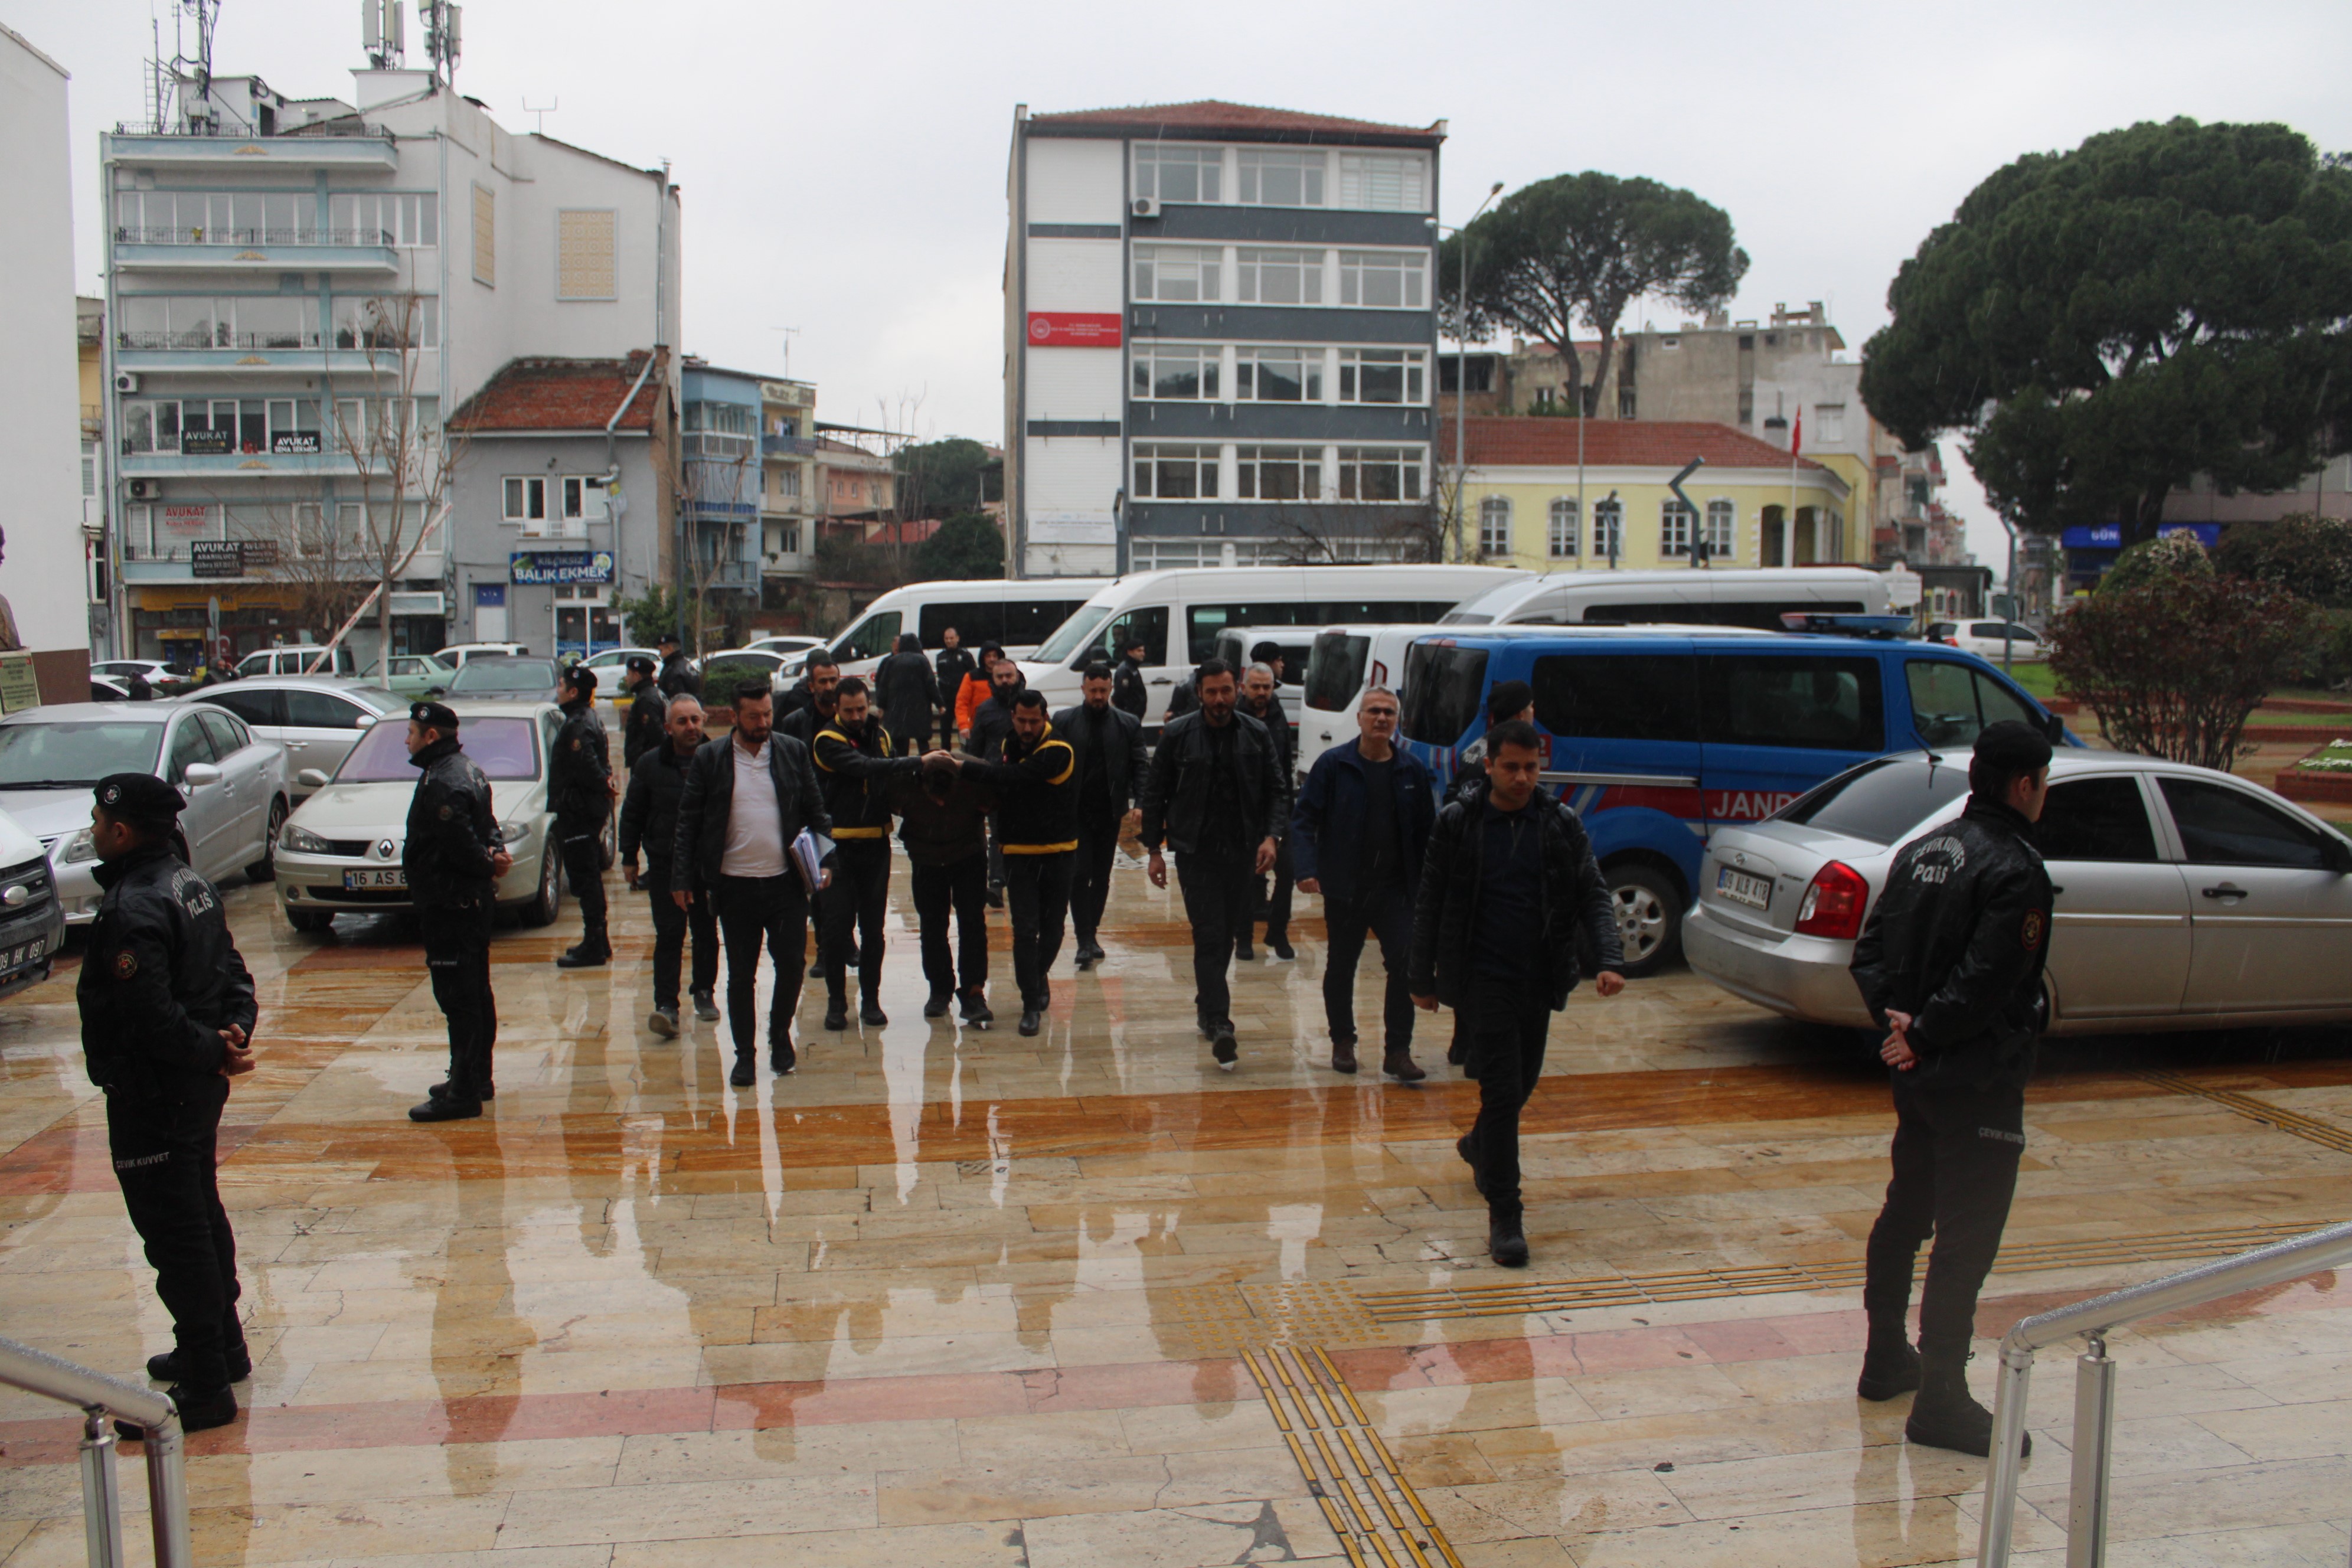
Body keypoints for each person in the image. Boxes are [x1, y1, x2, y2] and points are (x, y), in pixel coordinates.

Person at [1849, 720, 2056, 1459]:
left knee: (1907, 1212)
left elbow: (1869, 954)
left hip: (1918, 1079)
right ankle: (1941, 1396)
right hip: (1977, 1080)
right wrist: (1927, 1032)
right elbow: (1991, 976)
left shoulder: (1919, 852)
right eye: (2043, 783)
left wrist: (1900, 1027)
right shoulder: (2016, 867)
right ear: (2024, 784)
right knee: (1965, 1239)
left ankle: (1885, 1357)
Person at [78, 773, 257, 1436]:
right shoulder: (190, 883)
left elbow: (149, 1017)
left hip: (157, 1094)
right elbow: (234, 976)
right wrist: (233, 1034)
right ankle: (221, 1346)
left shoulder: (133, 907)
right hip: (194, 1086)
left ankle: (206, 1385)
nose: (93, 830)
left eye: (98, 821)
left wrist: (215, 1049)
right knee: (199, 1214)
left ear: (121, 832)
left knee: (176, 1234)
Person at [1409, 720, 1625, 1268]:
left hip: (1540, 976)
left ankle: (1479, 1144)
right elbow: (1430, 899)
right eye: (1511, 767)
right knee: (1504, 1092)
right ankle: (1506, 1214)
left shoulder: (1559, 823)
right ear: (1489, 767)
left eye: (1531, 768)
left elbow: (1592, 890)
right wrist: (1421, 979)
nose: (1523, 778)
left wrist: (1609, 958)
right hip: (1483, 978)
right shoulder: (1458, 822)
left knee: (1522, 1084)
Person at [672, 682, 834, 1084]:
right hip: (735, 885)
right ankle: (744, 1054)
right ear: (734, 716)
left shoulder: (792, 751)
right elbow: (688, 820)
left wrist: (825, 860)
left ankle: (780, 1035)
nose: (762, 723)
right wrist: (682, 878)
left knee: (792, 964)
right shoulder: (711, 758)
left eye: (767, 714)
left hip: (786, 883)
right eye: (753, 716)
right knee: (741, 974)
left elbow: (816, 810)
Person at [1138, 659, 1286, 1069]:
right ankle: (1221, 1022)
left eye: (1226, 691)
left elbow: (1277, 789)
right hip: (1196, 851)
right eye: (1211, 692)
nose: (1219, 699)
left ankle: (1207, 1003)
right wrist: (1153, 851)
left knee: (1226, 936)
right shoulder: (1179, 734)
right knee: (1209, 935)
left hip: (1242, 851)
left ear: (1237, 689)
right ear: (1199, 693)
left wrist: (1272, 837)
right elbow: (1155, 792)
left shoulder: (1255, 733)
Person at [1293, 686, 1435, 1080]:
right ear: (1359, 718)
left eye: (1389, 712)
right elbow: (1304, 820)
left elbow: (1427, 833)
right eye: (1374, 711)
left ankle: (1398, 1051)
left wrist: (1431, 886)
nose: (1381, 718)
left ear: (1397, 720)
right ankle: (1343, 1040)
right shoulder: (1333, 766)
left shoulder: (1411, 770)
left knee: (1404, 964)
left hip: (1396, 890)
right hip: (1346, 888)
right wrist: (1306, 869)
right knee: (1341, 965)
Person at [403, 701, 514, 1122]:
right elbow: (489, 826)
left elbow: (461, 844)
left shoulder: (443, 781)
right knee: (476, 992)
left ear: (431, 736)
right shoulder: (468, 770)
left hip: (452, 906)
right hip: (466, 904)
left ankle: (463, 1092)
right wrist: (495, 853)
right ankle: (476, 1077)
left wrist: (488, 862)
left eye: (412, 733)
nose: (407, 741)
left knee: (459, 999)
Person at [955, 689, 1076, 1037]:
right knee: (1024, 930)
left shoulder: (1058, 750)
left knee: (1053, 930)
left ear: (1045, 718)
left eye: (1033, 721)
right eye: (1021, 720)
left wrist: (963, 767)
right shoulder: (1010, 743)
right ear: (1012, 717)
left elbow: (1015, 778)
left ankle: (1037, 976)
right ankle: (1030, 1004)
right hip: (1019, 853)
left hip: (1058, 851)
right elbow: (1006, 786)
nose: (1027, 728)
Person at [812, 677, 920, 1028]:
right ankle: (836, 1004)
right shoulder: (827, 739)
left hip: (876, 843)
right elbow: (863, 767)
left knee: (874, 929)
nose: (857, 716)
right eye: (849, 711)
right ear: (836, 709)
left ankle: (871, 1001)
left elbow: (890, 779)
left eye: (861, 709)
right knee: (836, 928)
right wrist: (917, 762)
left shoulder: (881, 735)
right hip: (836, 847)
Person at [1444, 678, 1540, 1072]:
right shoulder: (1496, 755)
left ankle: (1463, 1042)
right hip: (1484, 870)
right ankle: (1473, 1047)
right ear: (1520, 714)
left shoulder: (1477, 746)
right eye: (1530, 708)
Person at [619, 694, 721, 1036]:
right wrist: (629, 856)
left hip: (707, 864)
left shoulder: (718, 759)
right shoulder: (650, 764)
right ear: (668, 727)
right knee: (669, 935)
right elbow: (633, 812)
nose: (691, 727)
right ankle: (666, 1005)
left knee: (706, 932)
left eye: (696, 719)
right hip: (665, 863)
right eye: (682, 721)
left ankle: (704, 991)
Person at [888, 756, 995, 1026]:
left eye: (945, 798)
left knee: (973, 923)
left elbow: (998, 798)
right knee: (932, 925)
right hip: (926, 859)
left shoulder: (976, 777)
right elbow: (888, 800)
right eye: (933, 798)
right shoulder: (904, 781)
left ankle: (974, 992)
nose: (939, 803)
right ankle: (939, 990)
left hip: (969, 856)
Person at [1055, 661, 1146, 969]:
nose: (1098, 696)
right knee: (1079, 874)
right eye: (1093, 690)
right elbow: (1052, 763)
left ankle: (1091, 932)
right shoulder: (1064, 721)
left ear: (1111, 689)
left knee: (1102, 876)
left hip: (1110, 811)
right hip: (1075, 811)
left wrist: (1141, 802)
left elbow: (1140, 765)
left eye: (1103, 691)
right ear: (1083, 688)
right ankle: (1084, 939)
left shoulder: (1127, 723)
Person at [549, 665, 615, 968]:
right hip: (584, 809)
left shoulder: (578, 724)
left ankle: (594, 944)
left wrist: (603, 786)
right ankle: (599, 940)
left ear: (573, 692)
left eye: (561, 685)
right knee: (588, 878)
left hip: (579, 812)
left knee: (585, 879)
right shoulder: (585, 718)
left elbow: (588, 767)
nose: (558, 690)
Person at [1237, 662, 1298, 961]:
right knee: (1246, 877)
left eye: (1267, 687)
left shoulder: (1277, 714)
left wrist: (1288, 809)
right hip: (1244, 810)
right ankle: (1244, 937)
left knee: (1289, 870)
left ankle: (1278, 930)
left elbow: (1284, 764)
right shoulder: (1234, 717)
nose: (1261, 692)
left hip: (1277, 807)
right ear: (1244, 687)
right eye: (1256, 687)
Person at [966, 656, 1028, 907]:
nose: (1005, 681)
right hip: (996, 781)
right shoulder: (985, 710)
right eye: (999, 677)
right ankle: (996, 883)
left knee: (1025, 832)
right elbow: (975, 749)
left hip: (1025, 781)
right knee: (998, 834)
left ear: (1017, 677)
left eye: (1008, 676)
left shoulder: (1029, 705)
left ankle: (1022, 881)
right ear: (992, 680)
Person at [876, 633, 942, 757]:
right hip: (919, 710)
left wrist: (881, 705)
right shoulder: (922, 660)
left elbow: (883, 685)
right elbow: (931, 685)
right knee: (923, 743)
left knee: (900, 744)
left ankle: (903, 765)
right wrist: (939, 704)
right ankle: (925, 764)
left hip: (897, 710)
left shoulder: (892, 661)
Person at [776, 649, 841, 743]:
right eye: (823, 682)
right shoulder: (794, 720)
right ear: (811, 686)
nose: (829, 687)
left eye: (833, 680)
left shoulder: (849, 717)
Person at [935, 628, 979, 745]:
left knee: (965, 727)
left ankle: (968, 749)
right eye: (946, 638)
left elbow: (973, 675)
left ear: (957, 639)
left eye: (951, 638)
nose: (949, 641)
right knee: (945, 730)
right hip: (947, 699)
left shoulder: (965, 655)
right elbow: (940, 677)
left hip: (962, 699)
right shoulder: (940, 657)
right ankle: (946, 752)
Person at [621, 654, 666, 769]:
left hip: (647, 764)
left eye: (628, 674)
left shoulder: (646, 699)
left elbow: (656, 734)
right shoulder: (655, 693)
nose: (626, 678)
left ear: (636, 676)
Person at [956, 642, 1005, 740]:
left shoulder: (1007, 677)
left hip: (1002, 726)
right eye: (988, 656)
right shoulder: (972, 677)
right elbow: (962, 703)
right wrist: (964, 725)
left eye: (995, 656)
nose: (992, 659)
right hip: (978, 727)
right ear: (983, 658)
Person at [1111, 635, 1149, 721]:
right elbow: (1120, 696)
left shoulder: (1132, 668)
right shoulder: (1125, 670)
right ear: (1130, 652)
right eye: (1139, 651)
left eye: (1143, 651)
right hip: (1128, 718)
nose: (1143, 654)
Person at [656, 631, 703, 700]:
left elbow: (676, 700)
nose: (660, 655)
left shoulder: (674, 671)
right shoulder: (686, 664)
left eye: (661, 650)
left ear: (670, 649)